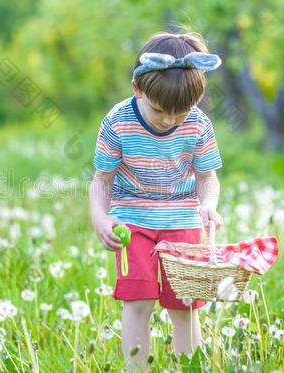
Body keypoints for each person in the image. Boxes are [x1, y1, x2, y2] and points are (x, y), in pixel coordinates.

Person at [89, 31, 225, 372]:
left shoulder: (197, 122)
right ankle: (137, 368)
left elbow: (208, 177)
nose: (170, 120)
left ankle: (190, 367)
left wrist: (208, 204)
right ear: (138, 89)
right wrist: (100, 218)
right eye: (161, 111)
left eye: (180, 113)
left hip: (182, 218)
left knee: (185, 304)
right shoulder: (118, 122)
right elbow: (101, 180)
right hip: (132, 218)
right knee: (138, 301)